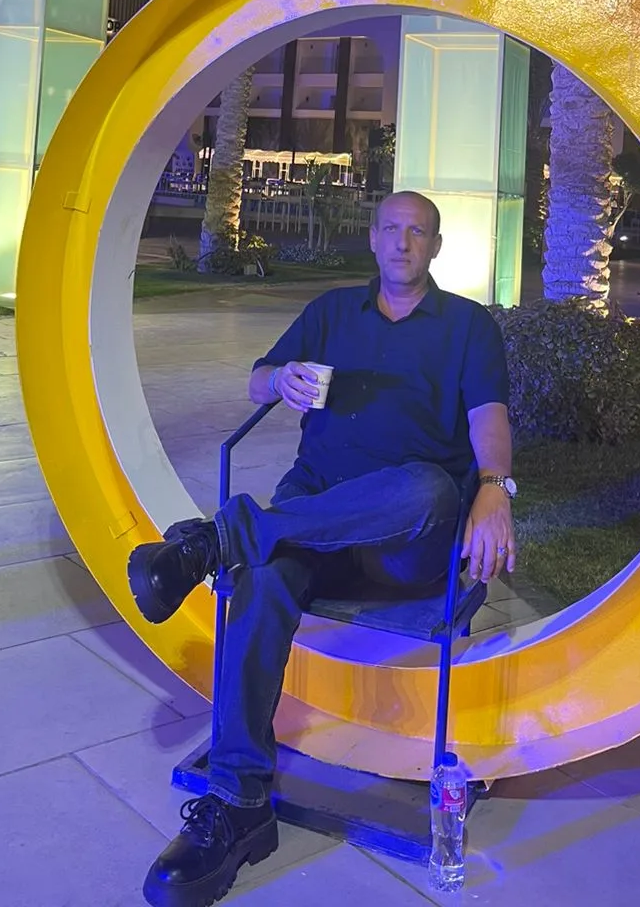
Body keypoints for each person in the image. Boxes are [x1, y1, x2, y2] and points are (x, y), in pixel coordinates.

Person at [128, 190, 516, 907]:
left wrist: (494, 487)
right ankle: (238, 806)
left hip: (406, 540)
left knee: (428, 487)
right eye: (392, 229)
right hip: (311, 520)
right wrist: (280, 379)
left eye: (418, 232)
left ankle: (217, 539)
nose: (403, 242)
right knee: (261, 582)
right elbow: (258, 379)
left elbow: (488, 416)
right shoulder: (332, 312)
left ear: (435, 246)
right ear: (372, 238)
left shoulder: (467, 326)